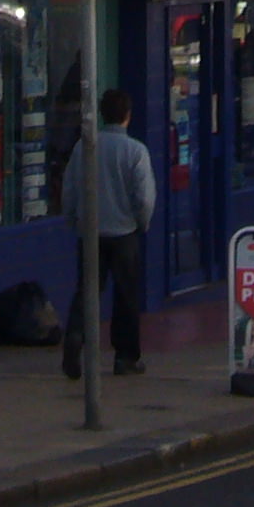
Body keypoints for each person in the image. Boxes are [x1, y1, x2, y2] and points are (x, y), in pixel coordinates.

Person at [63, 86, 158, 377]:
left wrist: (73, 220)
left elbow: (70, 189)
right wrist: (142, 222)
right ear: (127, 115)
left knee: (87, 289)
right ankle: (125, 357)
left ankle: (75, 338)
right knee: (126, 295)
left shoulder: (83, 147)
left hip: (90, 232)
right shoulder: (135, 151)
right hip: (124, 232)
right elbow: (144, 197)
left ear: (103, 115)